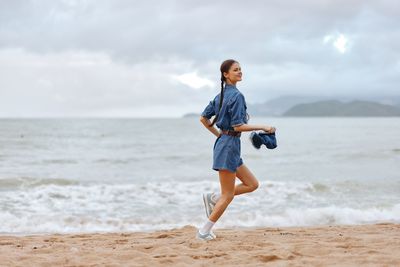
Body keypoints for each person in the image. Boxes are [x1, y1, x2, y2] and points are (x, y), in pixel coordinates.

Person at [197, 59, 276, 241]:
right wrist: (264, 127)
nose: (240, 72)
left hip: (227, 145)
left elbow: (203, 119)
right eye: (235, 70)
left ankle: (213, 197)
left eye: (240, 69)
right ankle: (203, 232)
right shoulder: (237, 96)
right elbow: (238, 126)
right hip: (228, 145)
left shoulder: (220, 96)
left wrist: (219, 135)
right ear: (226, 74)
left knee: (252, 184)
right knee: (228, 195)